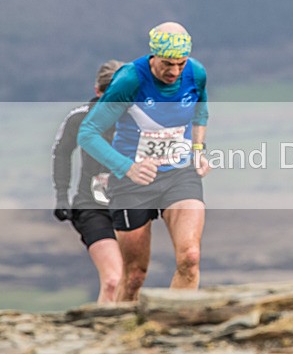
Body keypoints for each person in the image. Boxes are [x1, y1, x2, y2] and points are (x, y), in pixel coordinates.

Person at [78, 22, 210, 302]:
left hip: (179, 173)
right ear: (154, 57)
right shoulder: (130, 80)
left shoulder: (196, 73)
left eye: (180, 64)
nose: (174, 72)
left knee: (191, 258)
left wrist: (198, 148)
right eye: (167, 64)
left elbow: (201, 112)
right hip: (133, 182)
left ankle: (176, 330)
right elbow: (87, 134)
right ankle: (122, 336)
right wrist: (127, 167)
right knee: (135, 275)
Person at [52, 60, 125, 303]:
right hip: (90, 206)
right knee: (114, 280)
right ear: (97, 91)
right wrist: (62, 195)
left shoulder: (137, 120)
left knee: (131, 281)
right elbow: (62, 151)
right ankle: (108, 333)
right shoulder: (80, 118)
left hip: (129, 207)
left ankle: (123, 333)